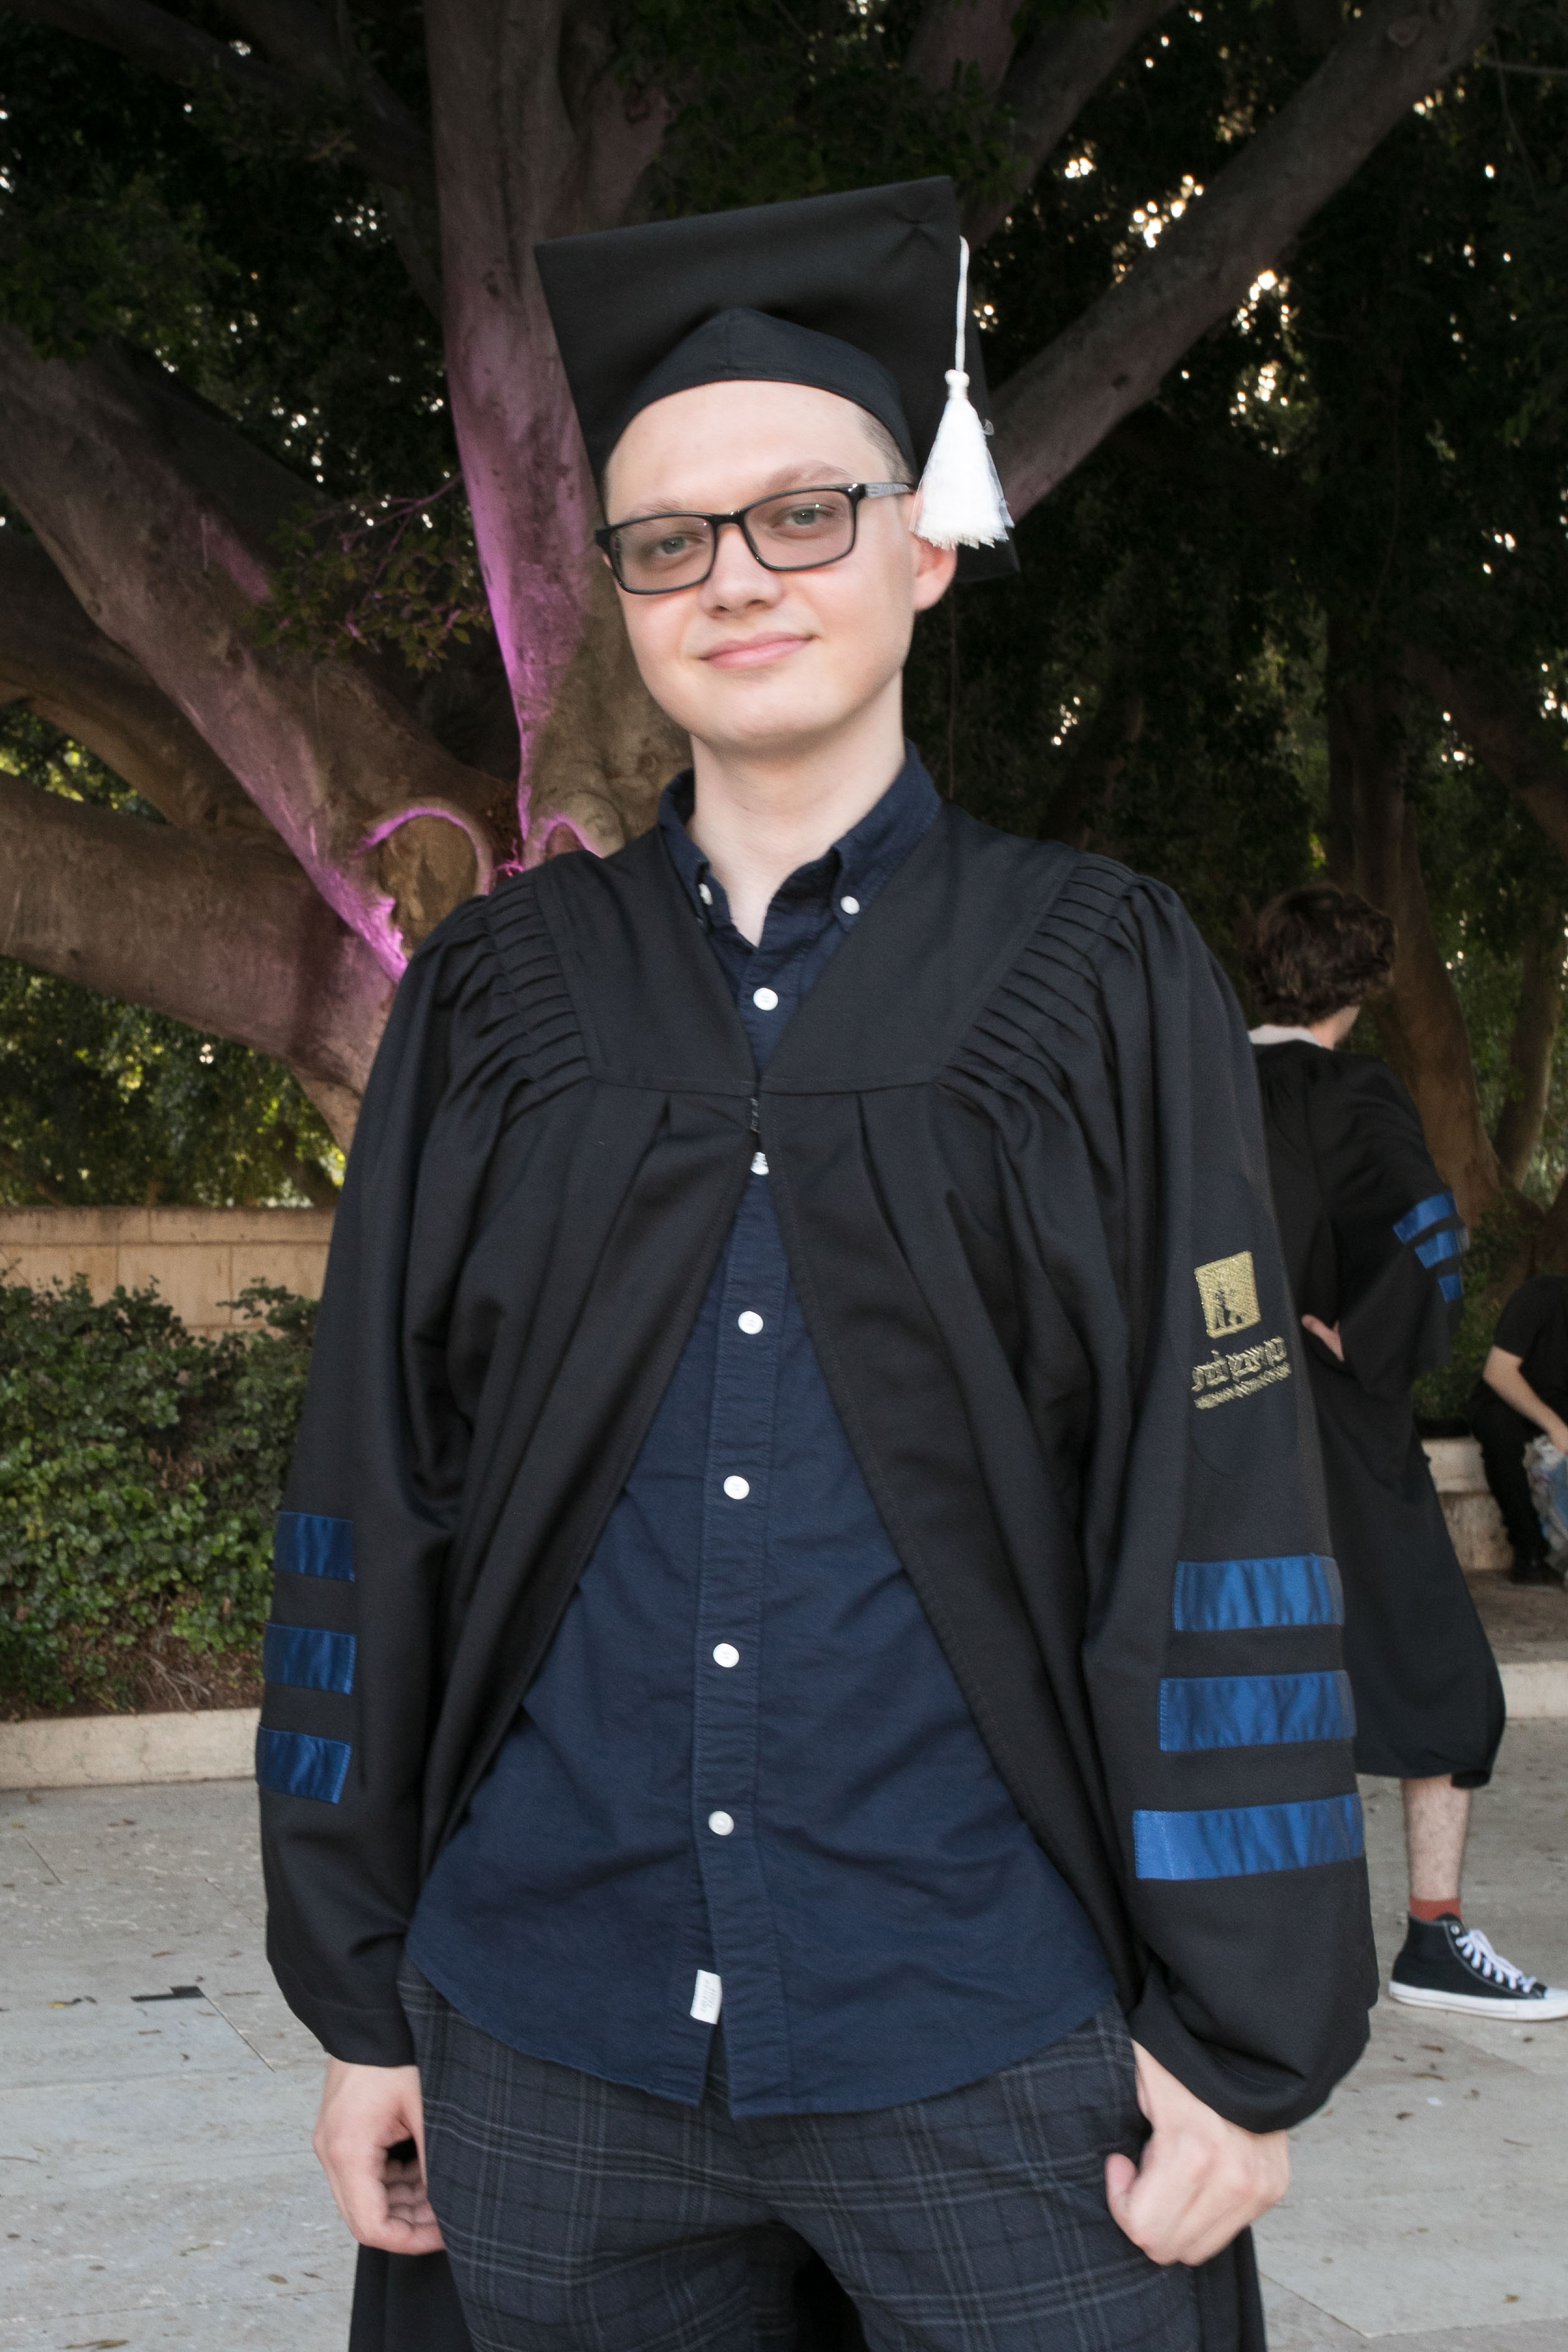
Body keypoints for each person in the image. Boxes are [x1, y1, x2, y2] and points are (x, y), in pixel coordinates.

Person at [258, 179, 1378, 2352]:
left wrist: (1240, 2031)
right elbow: (374, 1486)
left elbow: (1212, 1492)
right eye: (667, 538)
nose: (734, 576)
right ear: (619, 595)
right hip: (545, 2028)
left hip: (989, 2033)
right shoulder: (497, 997)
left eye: (800, 512)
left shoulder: (1094, 972)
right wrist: (358, 1984)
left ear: (921, 543)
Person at [1248, 883, 1568, 2028]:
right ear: (1365, 982)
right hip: (1333, 1425)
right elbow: (1423, 1220)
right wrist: (1366, 1339)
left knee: (1238, 1666)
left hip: (1206, 1423)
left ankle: (1234, 1962)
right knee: (1436, 1670)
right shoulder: (1349, 1091)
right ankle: (1430, 1936)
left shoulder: (1191, 1079)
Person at [1470, 1275, 1568, 1586]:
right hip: (1509, 1398)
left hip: (1560, 1406)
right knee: (1499, 1432)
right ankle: (1529, 1549)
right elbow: (1498, 1372)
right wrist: (1555, 1426)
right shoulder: (1540, 1296)